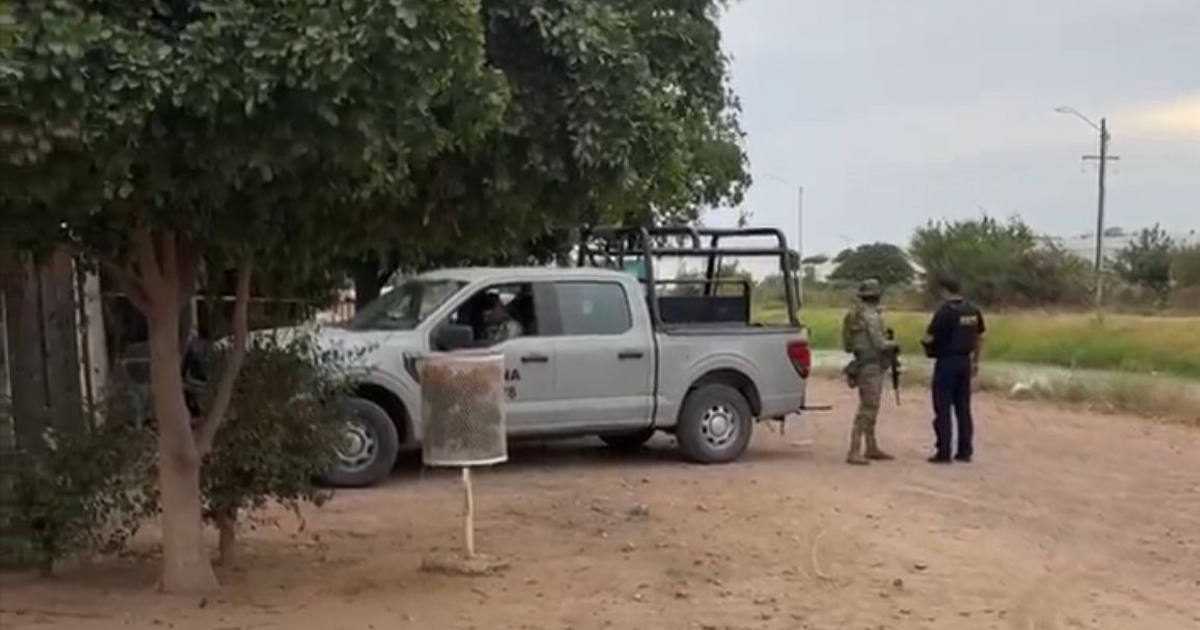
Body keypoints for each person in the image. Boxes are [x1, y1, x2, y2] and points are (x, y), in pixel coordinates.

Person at [921, 277, 985, 464]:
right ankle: (965, 451)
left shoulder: (944, 312)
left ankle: (944, 452)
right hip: (965, 362)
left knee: (943, 408)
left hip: (946, 361)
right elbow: (980, 337)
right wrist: (975, 361)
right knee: (963, 408)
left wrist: (927, 347)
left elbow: (929, 336)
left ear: (944, 291)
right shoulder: (973, 310)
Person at [841, 278, 899, 466]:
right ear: (877, 296)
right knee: (868, 408)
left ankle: (871, 446)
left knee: (869, 406)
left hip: (861, 363)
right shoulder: (872, 317)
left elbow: (847, 346)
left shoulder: (852, 316)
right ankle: (855, 450)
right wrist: (895, 344)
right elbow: (879, 343)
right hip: (873, 364)